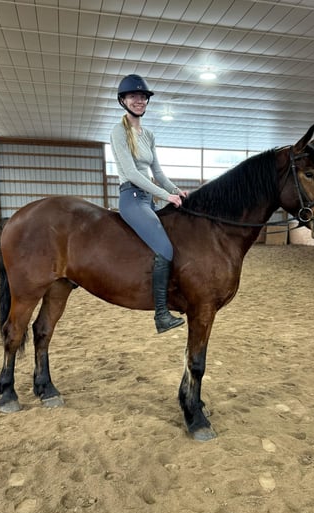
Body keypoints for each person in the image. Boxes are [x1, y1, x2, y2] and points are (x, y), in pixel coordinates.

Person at [110, 74, 187, 334]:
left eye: (142, 96)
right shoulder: (119, 131)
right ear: (123, 100)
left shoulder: (149, 134)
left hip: (148, 199)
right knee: (165, 248)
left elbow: (158, 173)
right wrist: (165, 196)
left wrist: (176, 191)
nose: (139, 100)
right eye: (133, 96)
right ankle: (161, 314)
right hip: (132, 198)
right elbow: (132, 174)